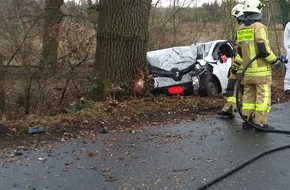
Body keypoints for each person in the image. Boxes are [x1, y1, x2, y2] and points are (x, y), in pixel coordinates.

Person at [232, 0, 283, 130]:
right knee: (263, 97)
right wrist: (275, 61)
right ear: (258, 11)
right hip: (261, 72)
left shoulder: (241, 28)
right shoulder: (259, 27)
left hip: (248, 72)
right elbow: (263, 50)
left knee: (248, 96)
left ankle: (247, 121)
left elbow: (240, 51)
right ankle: (261, 123)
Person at [217, 4, 245, 119]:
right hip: (237, 67)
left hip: (244, 68)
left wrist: (235, 65)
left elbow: (243, 51)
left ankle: (251, 116)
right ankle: (229, 110)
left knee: (246, 92)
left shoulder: (245, 29)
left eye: (236, 17)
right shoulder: (241, 29)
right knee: (231, 89)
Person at [284, 22, 290, 94]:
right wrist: (288, 49)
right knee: (289, 67)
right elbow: (285, 38)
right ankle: (287, 87)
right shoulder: (289, 25)